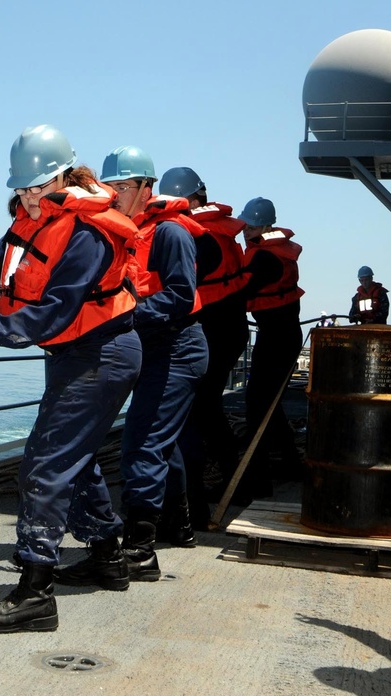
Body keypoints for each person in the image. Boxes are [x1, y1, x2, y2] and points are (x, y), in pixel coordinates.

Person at [0, 125, 141, 633]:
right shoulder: (29, 225)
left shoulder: (87, 234)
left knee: (43, 465)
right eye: (21, 191)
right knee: (75, 460)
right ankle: (108, 556)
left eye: (38, 188)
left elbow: (55, 312)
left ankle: (36, 592)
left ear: (64, 176)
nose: (30, 199)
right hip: (75, 355)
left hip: (100, 354)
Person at [99, 147, 208, 579]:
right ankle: (179, 528)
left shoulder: (169, 234)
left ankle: (141, 548)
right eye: (110, 187)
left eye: (124, 186)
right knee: (163, 444)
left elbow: (181, 295)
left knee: (141, 443)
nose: (115, 195)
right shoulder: (129, 233)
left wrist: (124, 314)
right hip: (150, 346)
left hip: (178, 348)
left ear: (148, 187)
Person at [158, 167, 248, 534]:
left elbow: (179, 285)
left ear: (193, 200)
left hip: (211, 331)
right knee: (207, 412)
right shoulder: (215, 233)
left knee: (191, 418)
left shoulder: (199, 238)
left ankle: (189, 507)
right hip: (227, 329)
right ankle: (236, 483)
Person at [237, 197, 305, 503]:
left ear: (265, 227)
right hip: (282, 334)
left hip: (277, 338)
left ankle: (257, 481)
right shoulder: (275, 253)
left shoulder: (265, 259)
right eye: (244, 226)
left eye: (250, 228)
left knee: (257, 404)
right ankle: (292, 464)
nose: (244, 232)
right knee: (270, 403)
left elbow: (240, 292)